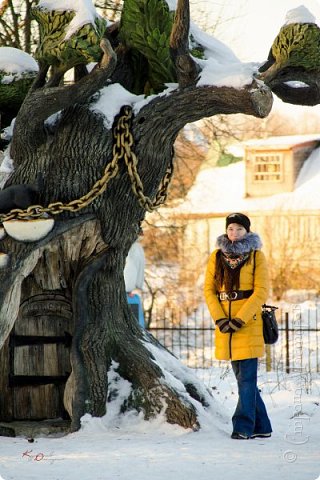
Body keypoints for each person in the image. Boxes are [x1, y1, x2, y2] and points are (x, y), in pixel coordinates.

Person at [204, 212, 272, 440]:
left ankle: (243, 426)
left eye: (239, 229)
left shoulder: (256, 256)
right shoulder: (216, 256)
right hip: (225, 325)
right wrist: (220, 318)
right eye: (231, 229)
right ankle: (262, 426)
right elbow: (209, 290)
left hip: (247, 323)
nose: (234, 233)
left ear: (247, 232)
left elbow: (261, 291)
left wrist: (240, 319)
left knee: (247, 378)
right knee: (242, 378)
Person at [124, 230, 145, 327]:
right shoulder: (137, 247)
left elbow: (132, 268)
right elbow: (140, 268)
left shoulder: (128, 247)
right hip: (130, 289)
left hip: (125, 289)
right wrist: (138, 285)